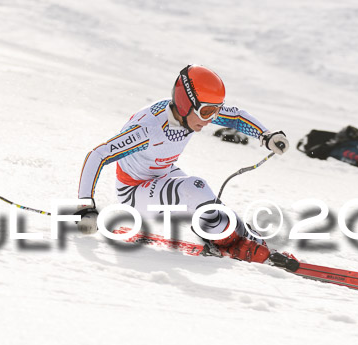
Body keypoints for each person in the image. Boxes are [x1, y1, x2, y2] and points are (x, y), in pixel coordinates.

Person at [74, 64, 289, 264]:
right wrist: (86, 208)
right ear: (186, 103)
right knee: (195, 187)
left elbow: (235, 117)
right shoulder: (149, 129)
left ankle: (249, 239)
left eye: (215, 111)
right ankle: (227, 244)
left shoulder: (190, 112)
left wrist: (266, 136)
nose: (210, 119)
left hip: (162, 175)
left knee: (213, 206)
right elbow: (98, 155)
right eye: (207, 112)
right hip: (134, 192)